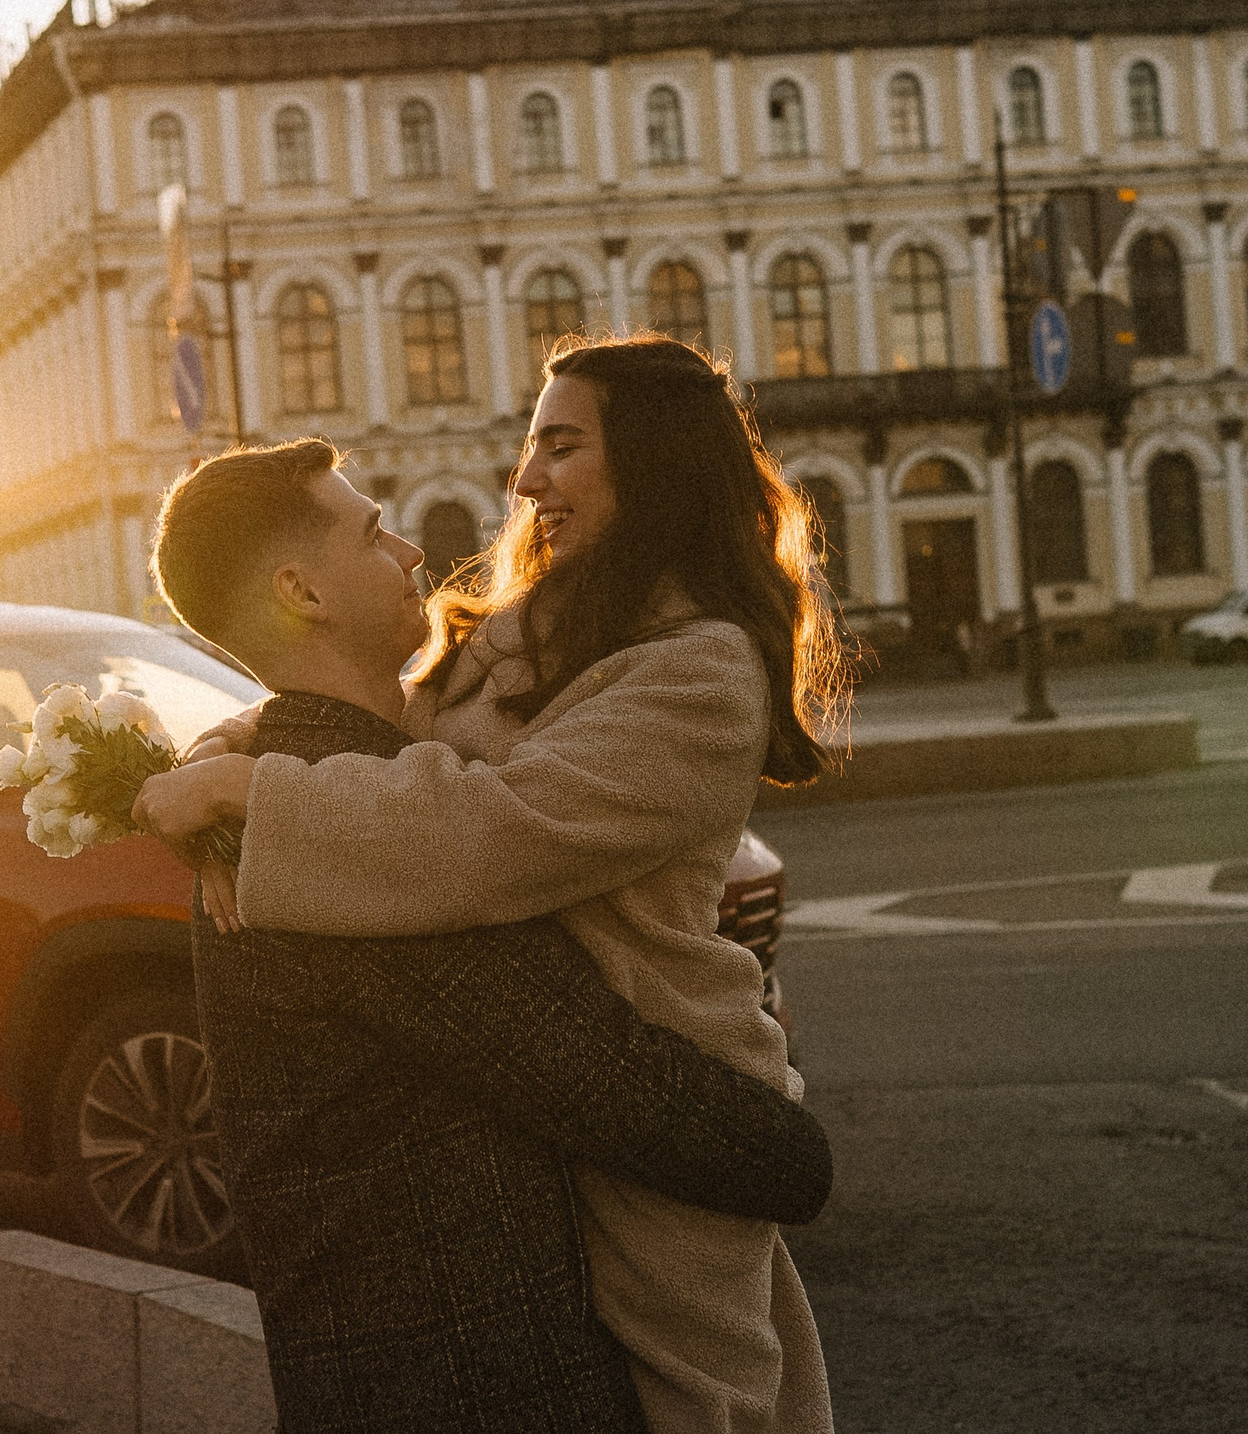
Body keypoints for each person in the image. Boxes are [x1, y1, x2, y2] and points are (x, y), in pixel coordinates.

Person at [137, 336, 851, 1434]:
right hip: (569, 1106)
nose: (524, 482)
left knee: (702, 1402)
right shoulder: (526, 632)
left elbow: (490, 829)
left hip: (662, 1089)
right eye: (531, 448)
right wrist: (217, 765)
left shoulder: (697, 668)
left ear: (653, 464)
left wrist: (255, 798)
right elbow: (377, 719)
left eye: (561, 447)